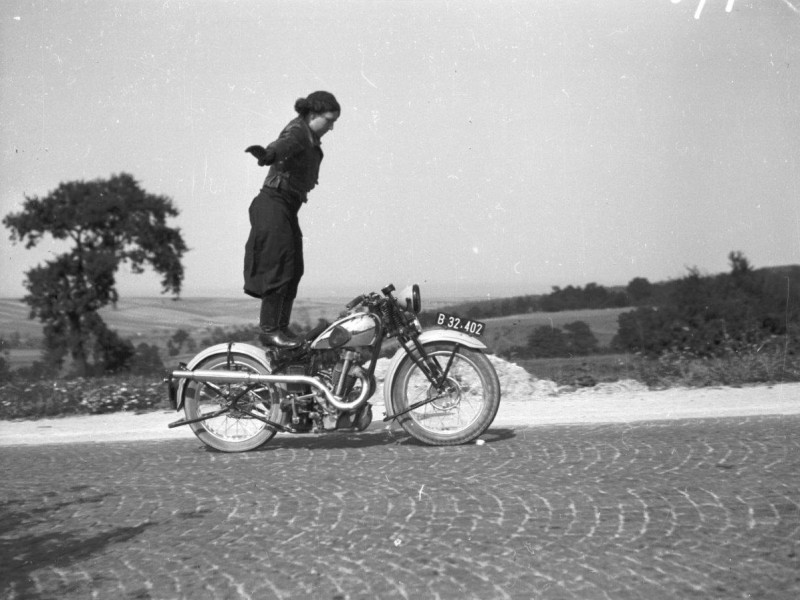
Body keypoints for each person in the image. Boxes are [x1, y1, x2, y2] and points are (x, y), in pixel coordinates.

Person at [243, 91, 340, 349]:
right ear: (312, 114)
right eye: (329, 120)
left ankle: (281, 327)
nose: (331, 127)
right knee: (281, 266)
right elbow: (282, 145)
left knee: (294, 268)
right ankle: (269, 329)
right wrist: (267, 155)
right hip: (273, 204)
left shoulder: (309, 136)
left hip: (285, 207)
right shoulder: (298, 131)